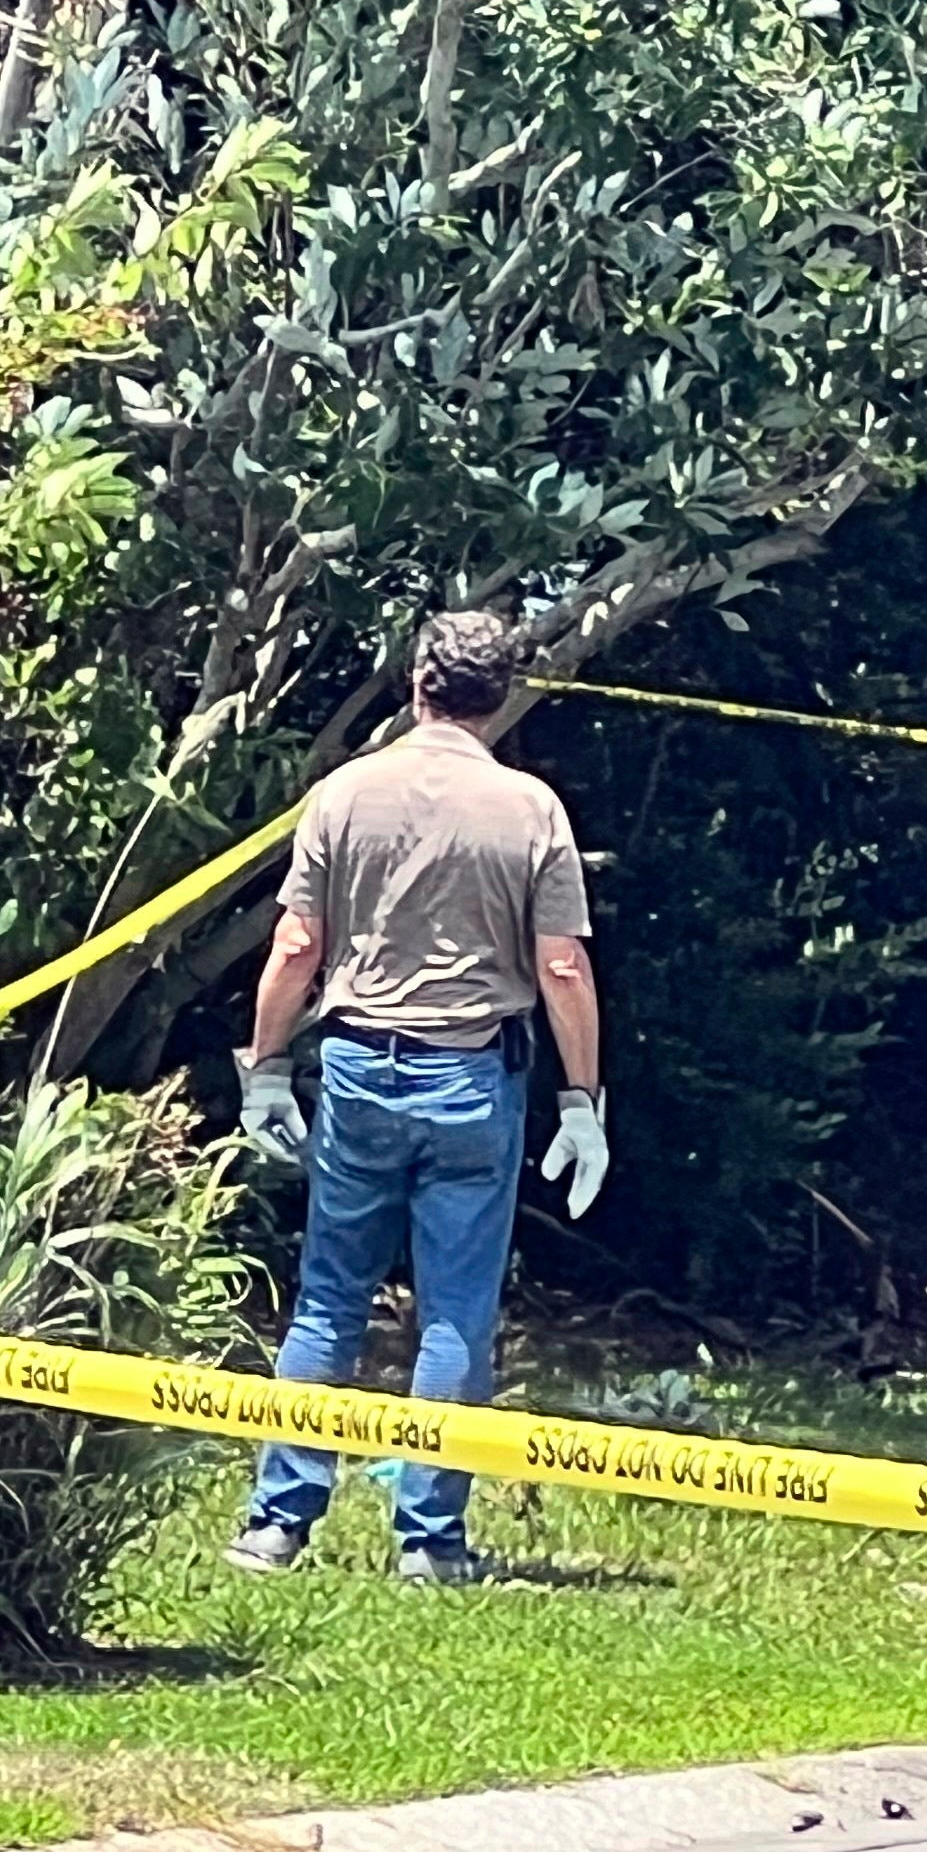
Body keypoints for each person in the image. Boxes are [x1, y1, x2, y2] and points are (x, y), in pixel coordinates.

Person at [224, 609, 607, 1585]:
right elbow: (562, 966)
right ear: (502, 696)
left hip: (357, 1068)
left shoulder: (346, 793)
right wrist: (582, 1100)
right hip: (474, 1076)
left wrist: (266, 1068)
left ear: (416, 683)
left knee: (328, 1300)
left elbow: (296, 947)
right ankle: (430, 1543)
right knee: (454, 1315)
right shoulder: (531, 809)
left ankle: (277, 1525)